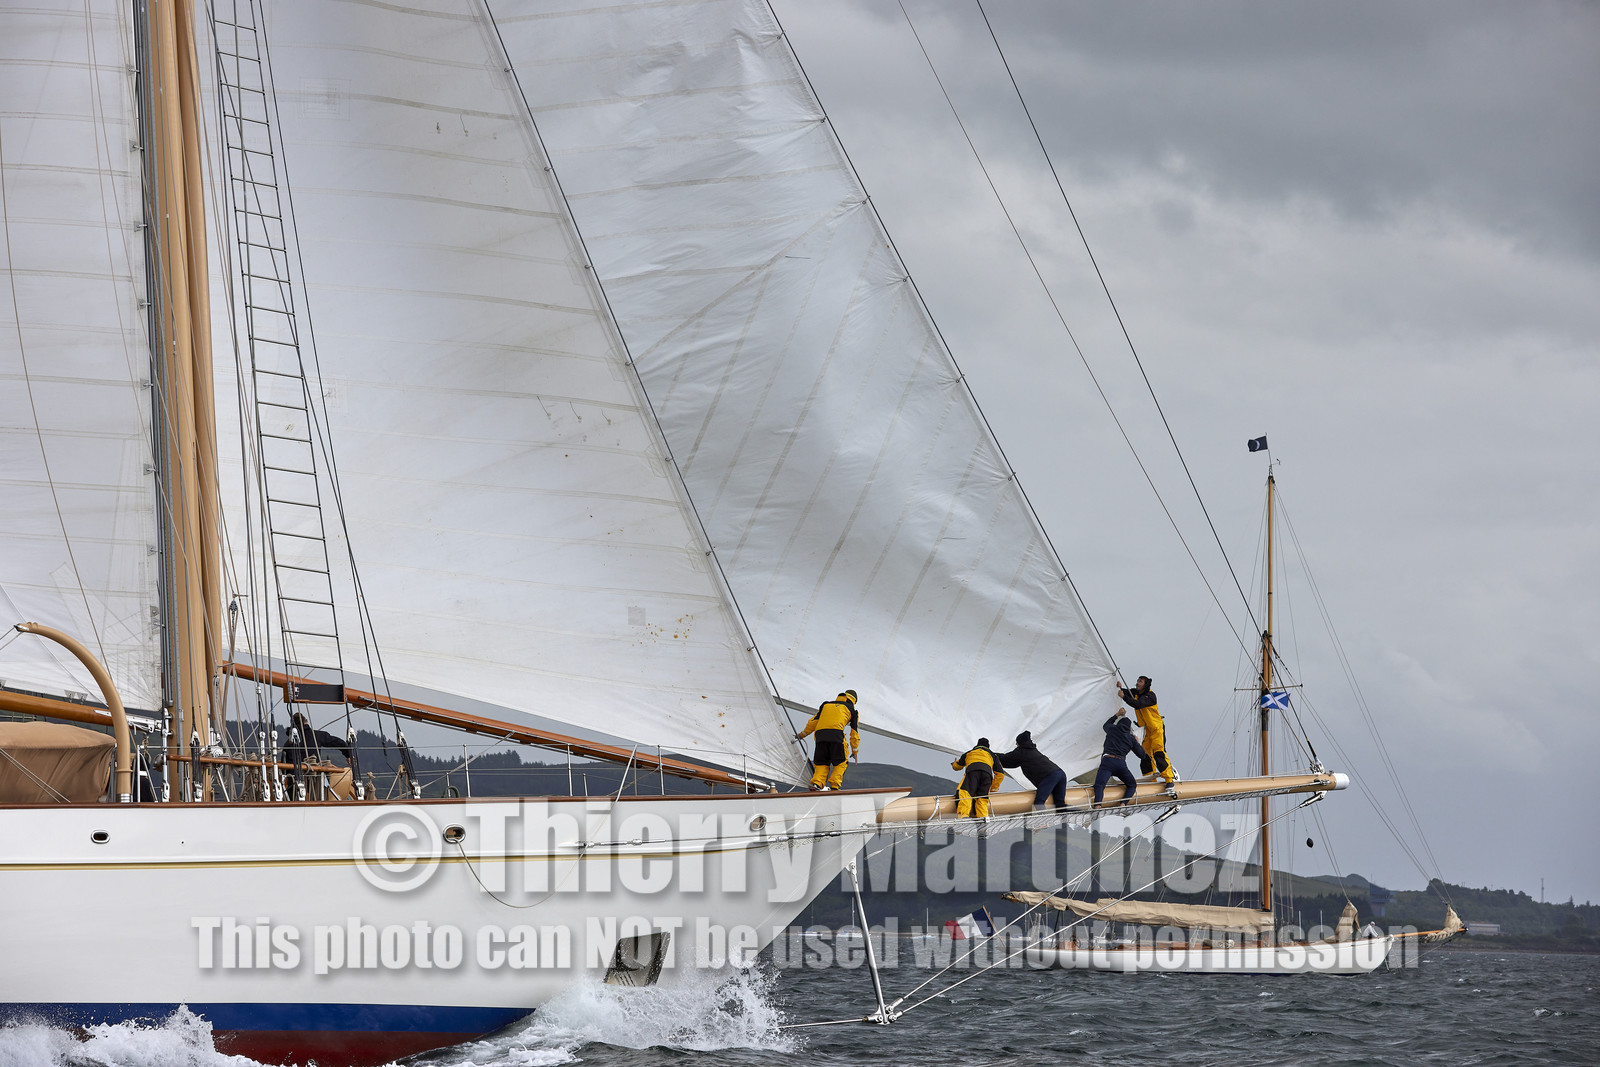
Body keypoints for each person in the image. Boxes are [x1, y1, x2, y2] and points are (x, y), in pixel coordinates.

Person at [1117, 675, 1177, 785]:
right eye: (1137, 681)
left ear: (1145, 685)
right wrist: (1119, 688)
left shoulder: (1150, 696)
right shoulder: (1136, 693)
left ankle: (1169, 779)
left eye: (1140, 681)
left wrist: (1124, 697)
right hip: (1146, 731)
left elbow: (1138, 704)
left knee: (1158, 753)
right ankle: (1151, 781)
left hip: (1156, 729)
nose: (1137, 683)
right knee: (1145, 757)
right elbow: (1126, 692)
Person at [795, 690, 859, 790]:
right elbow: (854, 733)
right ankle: (834, 787)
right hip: (836, 736)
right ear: (854, 701)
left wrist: (801, 735)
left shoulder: (826, 705)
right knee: (841, 762)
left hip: (820, 736)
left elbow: (813, 722)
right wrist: (855, 751)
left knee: (822, 762)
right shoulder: (852, 710)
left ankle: (817, 784)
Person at [998, 730, 1067, 811]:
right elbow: (1013, 763)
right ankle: (1083, 812)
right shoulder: (1033, 749)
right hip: (1061, 774)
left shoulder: (1021, 752)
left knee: (1038, 803)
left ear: (1020, 743)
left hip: (1050, 776)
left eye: (1017, 743)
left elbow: (1005, 758)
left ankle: (1043, 822)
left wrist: (989, 754)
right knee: (1060, 806)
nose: (1016, 745)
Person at [1093, 710, 1146, 808]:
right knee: (1132, 785)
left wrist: (1117, 715)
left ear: (1119, 724)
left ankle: (1097, 805)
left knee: (1100, 785)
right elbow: (1142, 755)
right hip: (1120, 764)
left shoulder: (1113, 729)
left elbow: (1106, 725)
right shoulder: (1131, 738)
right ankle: (1123, 804)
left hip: (1107, 762)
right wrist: (1137, 743)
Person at [951, 738, 1006, 818]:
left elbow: (957, 767)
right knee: (982, 799)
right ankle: (983, 821)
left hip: (973, 772)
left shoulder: (969, 753)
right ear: (988, 747)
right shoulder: (993, 755)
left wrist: (954, 764)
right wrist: (993, 788)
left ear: (977, 745)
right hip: (987, 776)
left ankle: (963, 816)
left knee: (965, 793)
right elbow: (1000, 774)